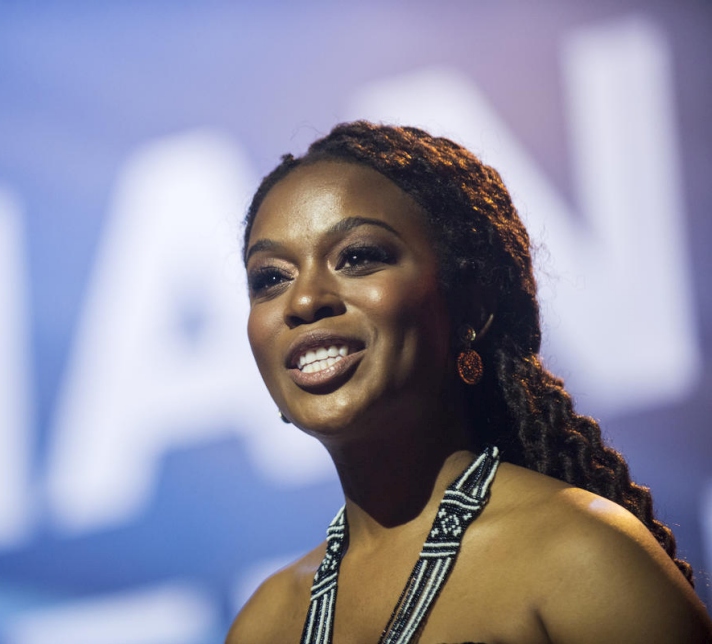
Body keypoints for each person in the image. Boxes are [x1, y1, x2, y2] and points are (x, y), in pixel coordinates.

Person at [227, 121, 712, 644]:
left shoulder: (577, 555)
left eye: (359, 256)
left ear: (471, 306)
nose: (304, 301)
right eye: (271, 278)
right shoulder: (266, 621)